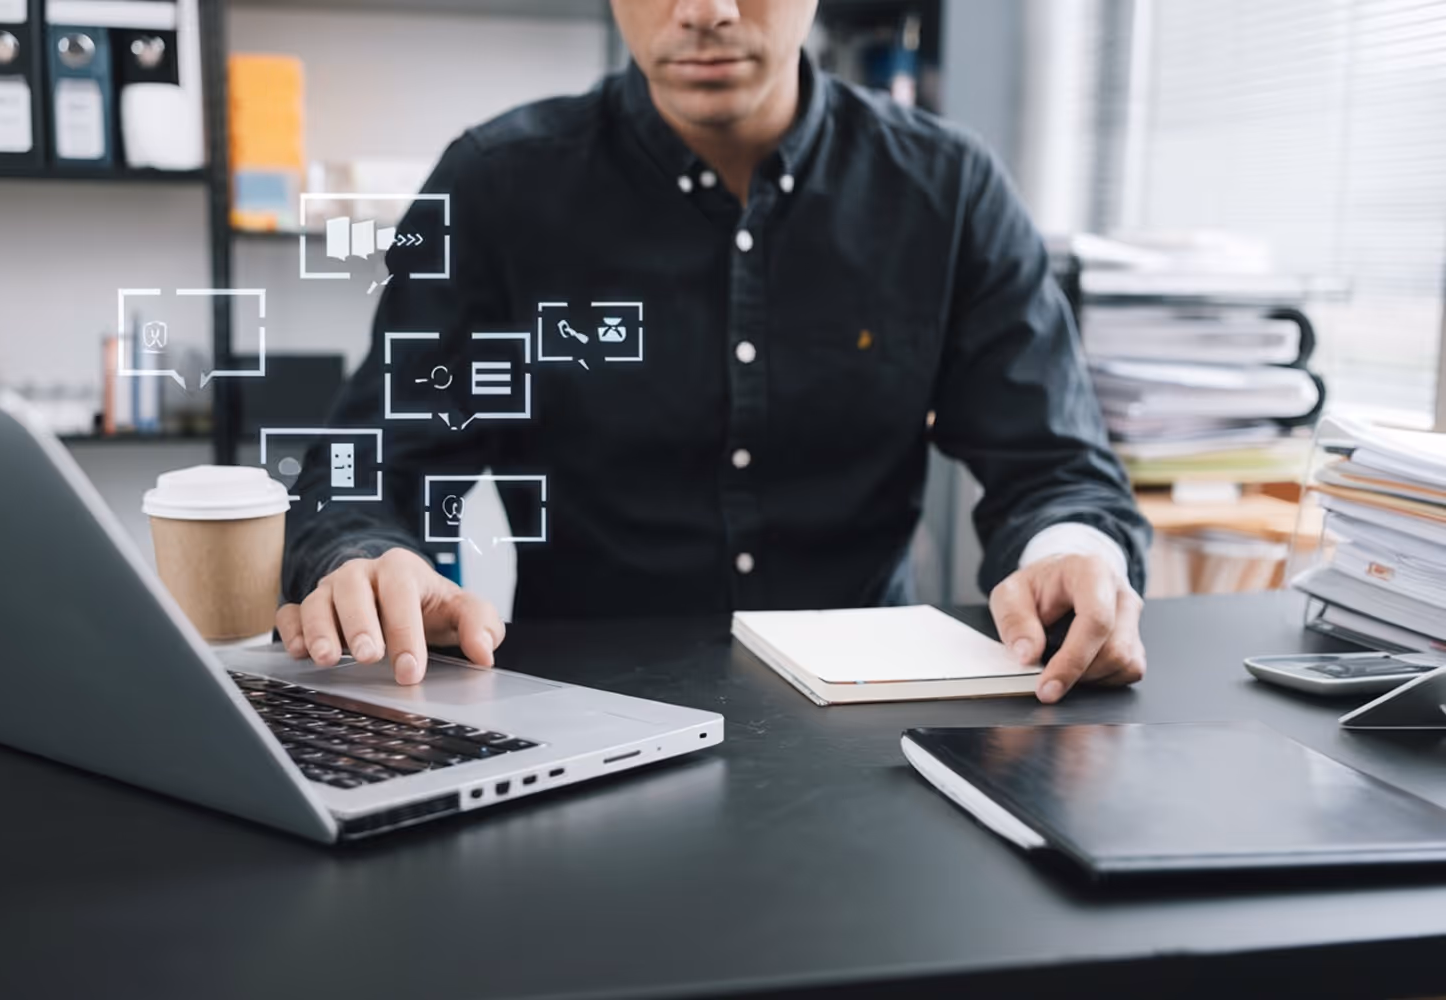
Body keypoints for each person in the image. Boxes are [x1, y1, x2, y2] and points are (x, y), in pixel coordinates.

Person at [277, 0, 1152, 705]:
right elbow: (368, 466)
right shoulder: (498, 184)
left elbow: (1053, 466)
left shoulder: (947, 189)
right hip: (579, 713)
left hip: (874, 714)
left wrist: (1070, 560)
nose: (707, 11)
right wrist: (363, 557)